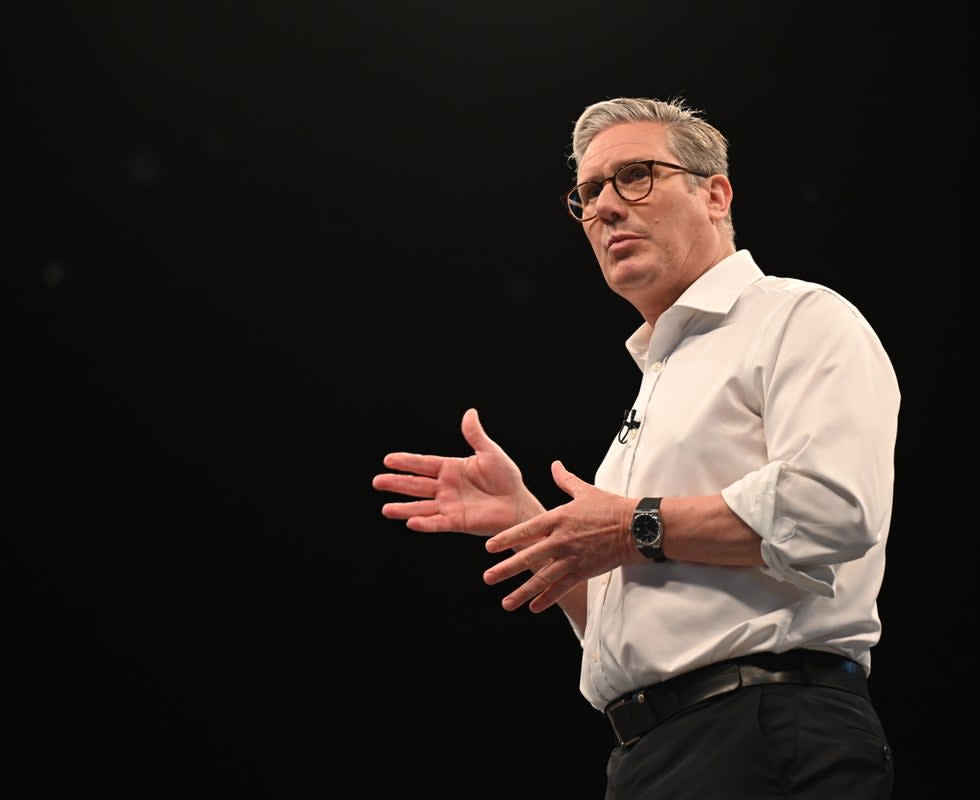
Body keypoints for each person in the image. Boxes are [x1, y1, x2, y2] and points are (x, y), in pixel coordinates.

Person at [371, 96, 899, 799]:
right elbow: (639, 624)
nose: (606, 208)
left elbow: (834, 507)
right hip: (652, 754)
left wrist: (629, 525)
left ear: (716, 193)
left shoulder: (799, 318)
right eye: (589, 193)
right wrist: (533, 524)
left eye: (636, 176)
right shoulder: (659, 377)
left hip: (768, 732)